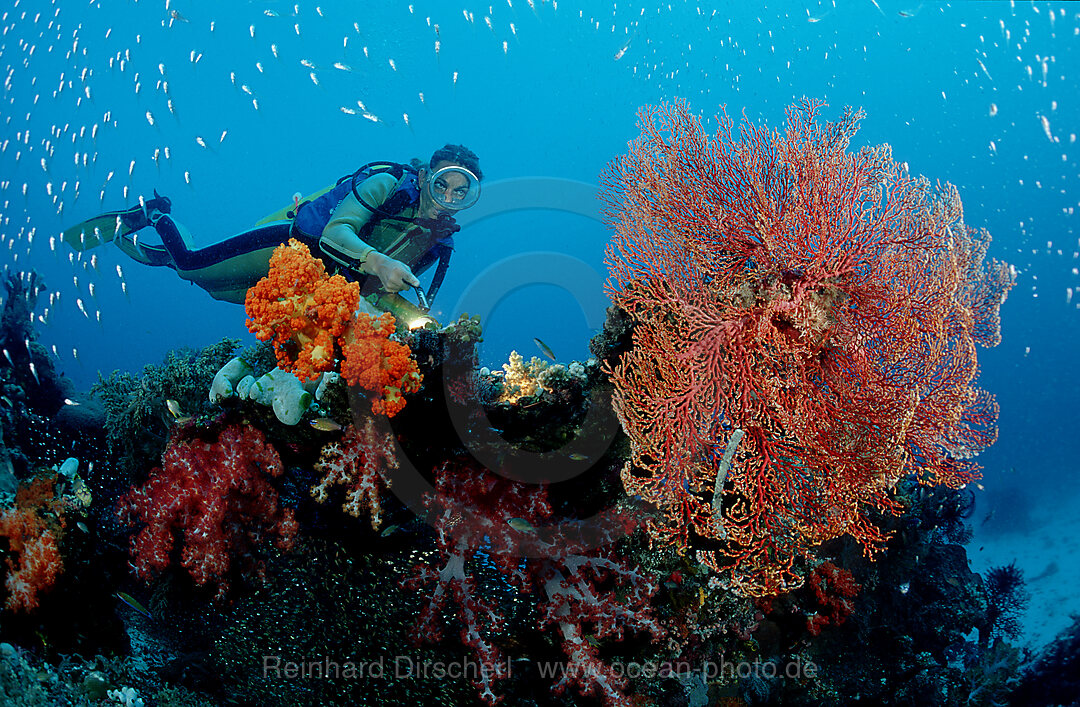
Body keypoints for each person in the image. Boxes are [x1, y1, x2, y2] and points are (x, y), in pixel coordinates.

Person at [63, 144, 483, 316]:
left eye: (460, 192)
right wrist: (379, 260)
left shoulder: (439, 245)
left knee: (214, 289)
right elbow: (337, 234)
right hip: (291, 247)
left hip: (319, 286)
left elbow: (383, 294)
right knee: (193, 267)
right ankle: (156, 214)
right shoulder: (386, 185)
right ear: (426, 175)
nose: (446, 195)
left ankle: (162, 255)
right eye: (442, 182)